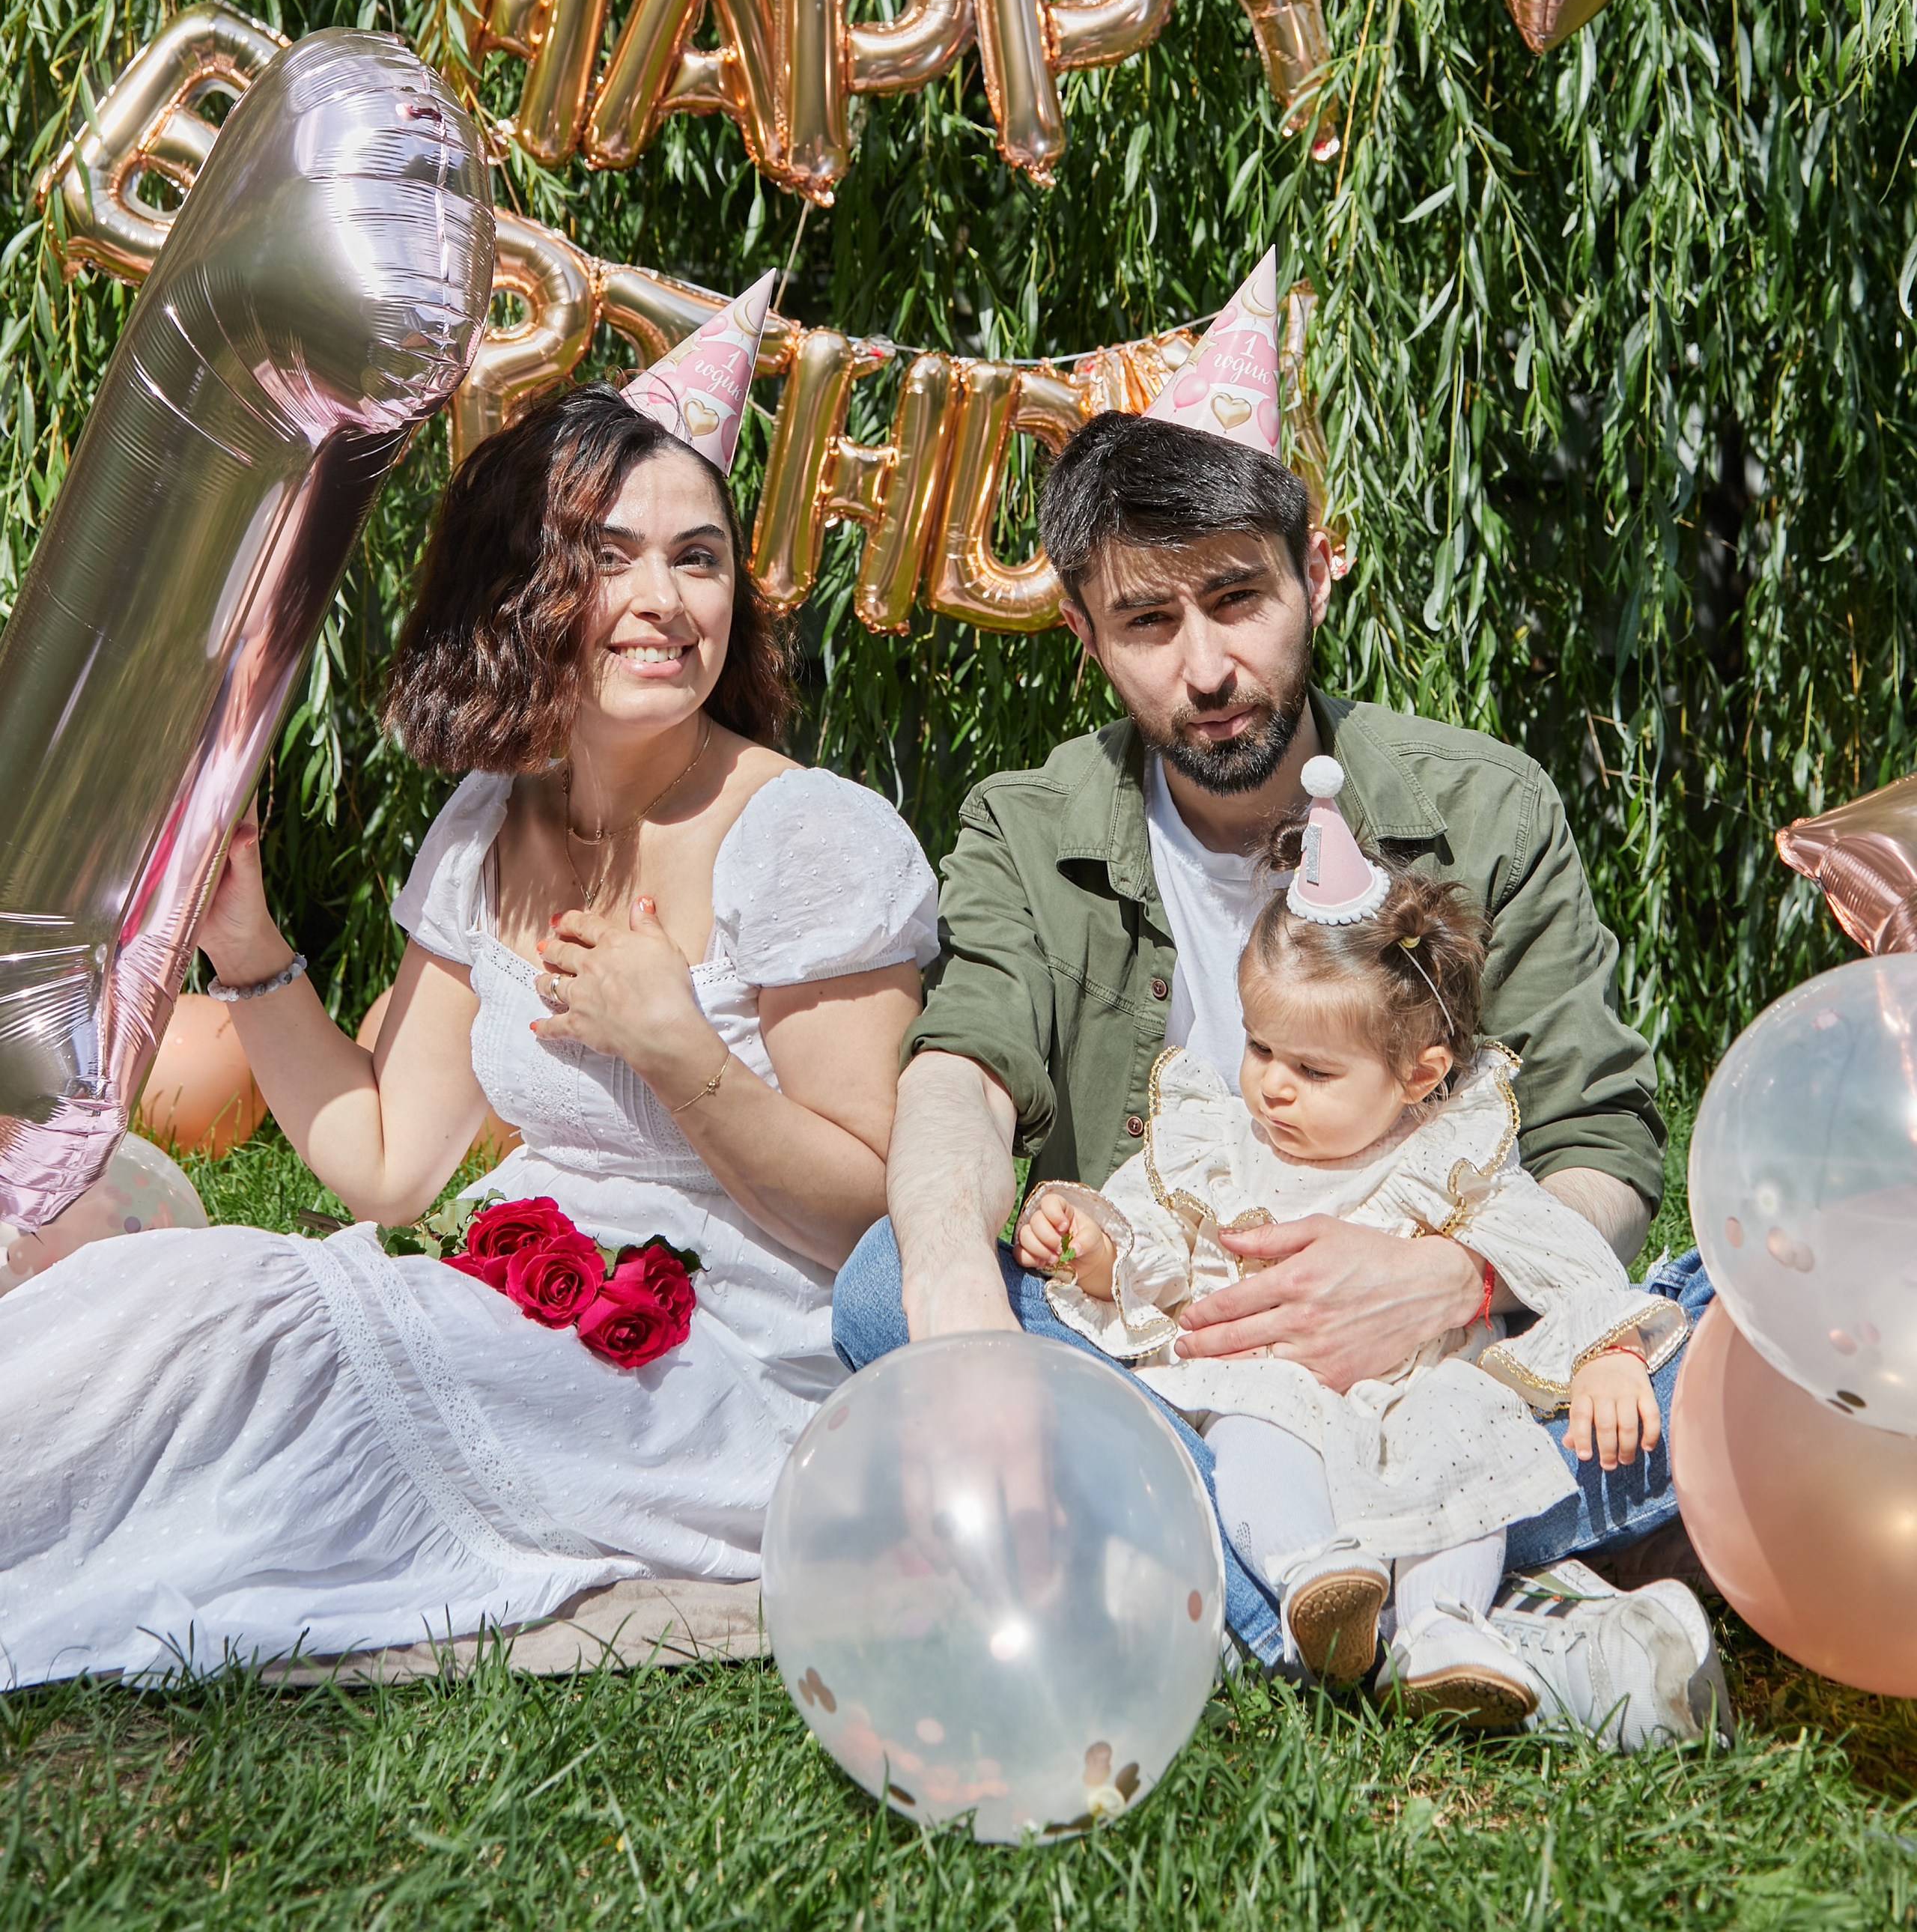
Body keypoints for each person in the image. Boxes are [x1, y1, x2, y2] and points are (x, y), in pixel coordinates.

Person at [0, 283, 939, 1685]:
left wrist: (679, 1052)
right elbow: (383, 1166)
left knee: (276, 1363)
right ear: (525, 589)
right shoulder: (490, 822)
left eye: (698, 560)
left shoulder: (806, 837)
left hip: (717, 1369)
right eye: (612, 559)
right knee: (186, 1308)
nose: (664, 603)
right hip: (514, 1309)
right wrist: (250, 952)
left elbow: (880, 1208)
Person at [833, 249, 1717, 1738]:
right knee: (884, 1289)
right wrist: (958, 1320)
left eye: (1237, 600)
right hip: (1193, 1368)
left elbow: (1604, 1141)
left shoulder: (1478, 807)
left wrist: (1456, 1278)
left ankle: (1274, 1612)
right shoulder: (1026, 823)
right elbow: (956, 1074)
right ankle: (1452, 1626)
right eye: (1147, 625)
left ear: (1316, 573)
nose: (1206, 669)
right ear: (1086, 639)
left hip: (1459, 1352)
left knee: (1710, 1335)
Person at [1013, 762, 1723, 1740]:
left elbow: (1554, 1251)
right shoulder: (1221, 1148)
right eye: (1259, 1048)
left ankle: (1442, 1630)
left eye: (1311, 1068)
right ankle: (1318, 1587)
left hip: (1418, 1395)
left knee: (1470, 1445)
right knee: (1255, 1432)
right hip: (1275, 1388)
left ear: (1418, 1074)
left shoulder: (1449, 1159)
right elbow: (1156, 1251)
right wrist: (1094, 1245)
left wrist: (1606, 1354)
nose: (1272, 1087)